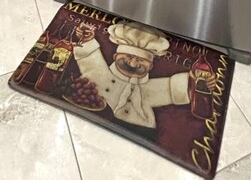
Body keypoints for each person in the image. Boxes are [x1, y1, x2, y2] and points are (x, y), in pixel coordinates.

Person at [73, 19, 217, 137]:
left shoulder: (149, 88)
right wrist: (87, 40)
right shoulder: (101, 73)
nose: (133, 63)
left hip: (140, 129)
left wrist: (198, 81)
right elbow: (90, 57)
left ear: (151, 66)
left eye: (141, 60)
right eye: (128, 57)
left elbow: (173, 88)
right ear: (115, 57)